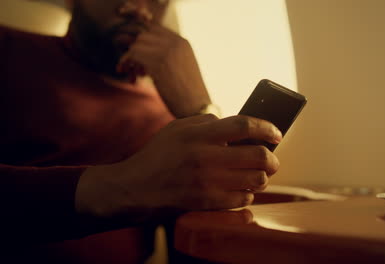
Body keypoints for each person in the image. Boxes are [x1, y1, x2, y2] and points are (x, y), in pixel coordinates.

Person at [0, 0, 282, 246]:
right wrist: (118, 186)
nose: (139, 10)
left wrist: (198, 108)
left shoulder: (170, 116)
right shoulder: (9, 49)